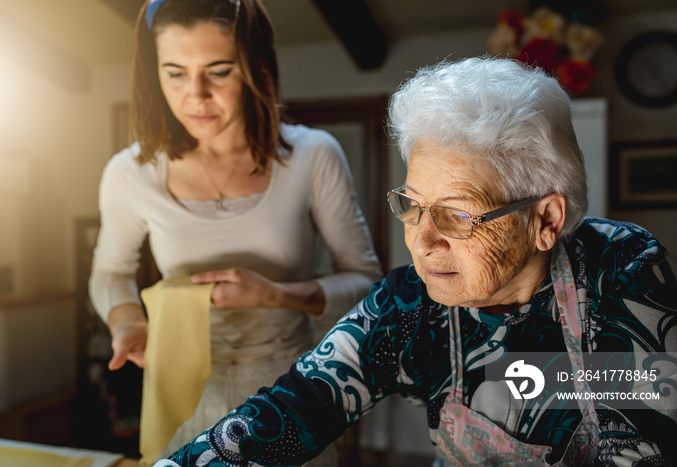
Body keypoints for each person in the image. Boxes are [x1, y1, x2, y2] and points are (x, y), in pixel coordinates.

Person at [152, 56, 677, 467]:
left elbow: (648, 446)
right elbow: (297, 405)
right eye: (411, 205)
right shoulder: (409, 303)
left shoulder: (622, 270)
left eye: (457, 213)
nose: (422, 241)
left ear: (544, 220)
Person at [88, 0, 382, 463]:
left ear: (254, 67)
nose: (195, 95)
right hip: (180, 392)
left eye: (218, 71)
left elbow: (366, 281)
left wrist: (277, 295)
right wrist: (126, 320)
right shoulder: (130, 172)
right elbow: (110, 273)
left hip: (294, 390)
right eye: (174, 73)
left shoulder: (312, 156)